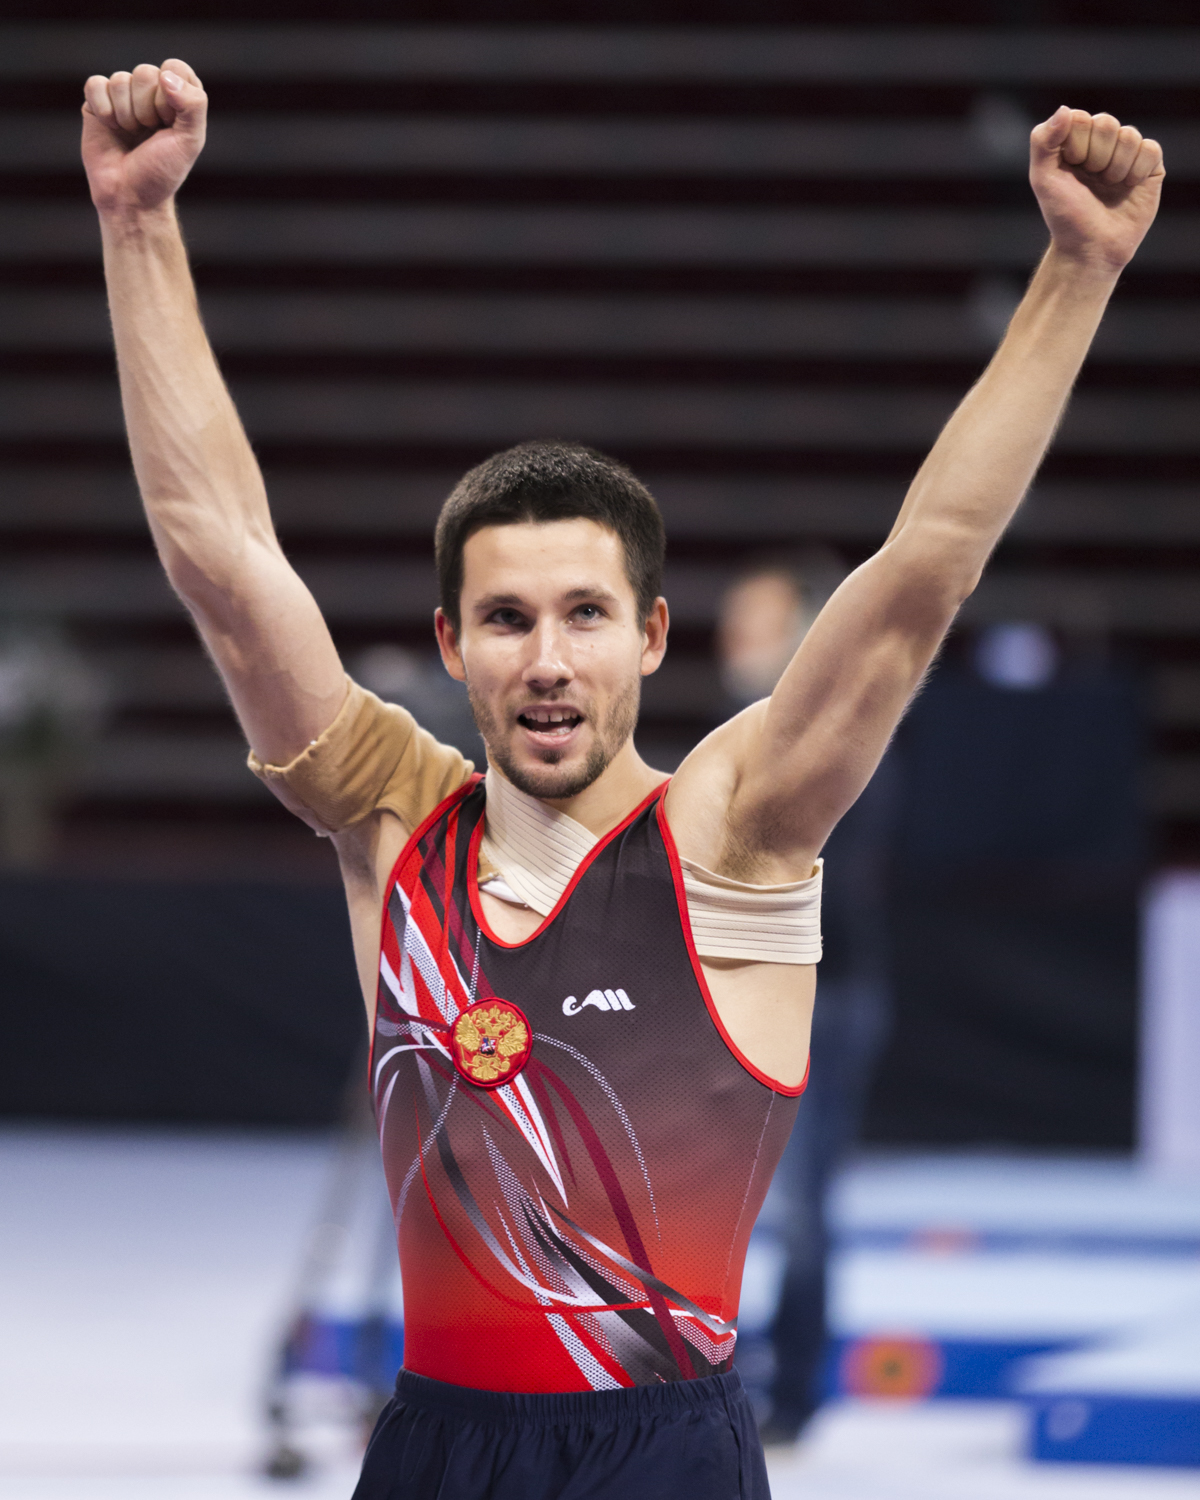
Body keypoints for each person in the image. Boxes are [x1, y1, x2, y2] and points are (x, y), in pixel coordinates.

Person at [79, 60, 1163, 1500]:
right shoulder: (396, 817)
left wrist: (1079, 270)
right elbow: (221, 562)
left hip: (665, 1459)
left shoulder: (738, 829)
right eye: (509, 619)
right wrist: (138, 227)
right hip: (433, 1451)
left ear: (651, 637)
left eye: (585, 616)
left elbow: (921, 577)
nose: (547, 660)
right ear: (450, 642)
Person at [714, 561, 896, 1441]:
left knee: (801, 1206)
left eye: (753, 625)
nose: (731, 642)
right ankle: (731, 1376)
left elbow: (824, 875)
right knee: (731, 1200)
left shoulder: (839, 734)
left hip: (825, 997)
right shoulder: (740, 739)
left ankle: (794, 1393)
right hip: (749, 995)